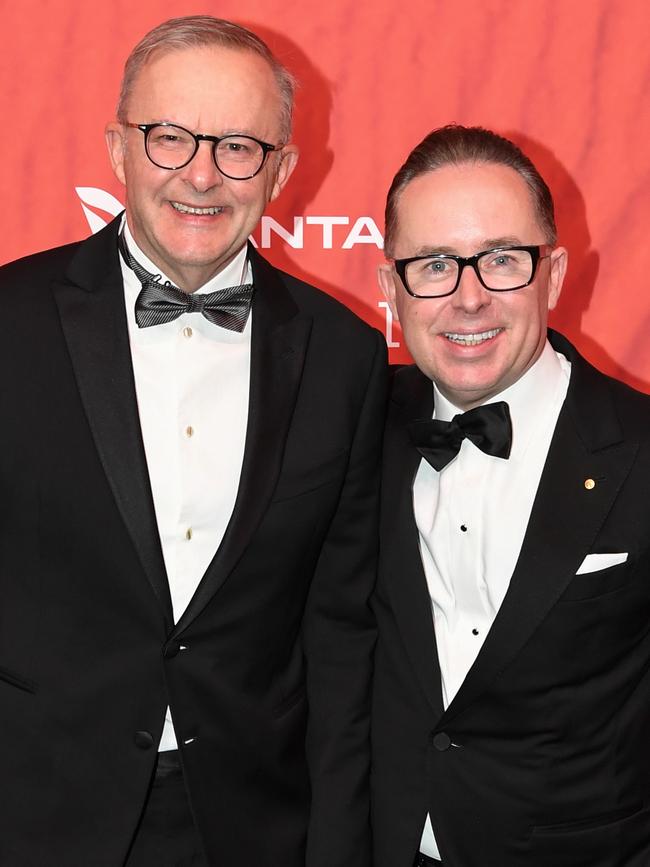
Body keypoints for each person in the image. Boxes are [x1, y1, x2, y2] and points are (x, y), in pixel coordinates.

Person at [0, 15, 386, 867]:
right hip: (33, 808)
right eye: (169, 137)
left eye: (240, 146)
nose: (202, 175)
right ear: (118, 150)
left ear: (282, 169)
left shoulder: (345, 355)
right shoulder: (9, 323)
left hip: (249, 823)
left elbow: (339, 634)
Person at [372, 124, 650, 867]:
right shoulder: (352, 427)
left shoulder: (641, 451)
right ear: (388, 286)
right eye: (433, 264)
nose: (468, 299)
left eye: (501, 260)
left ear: (553, 275)